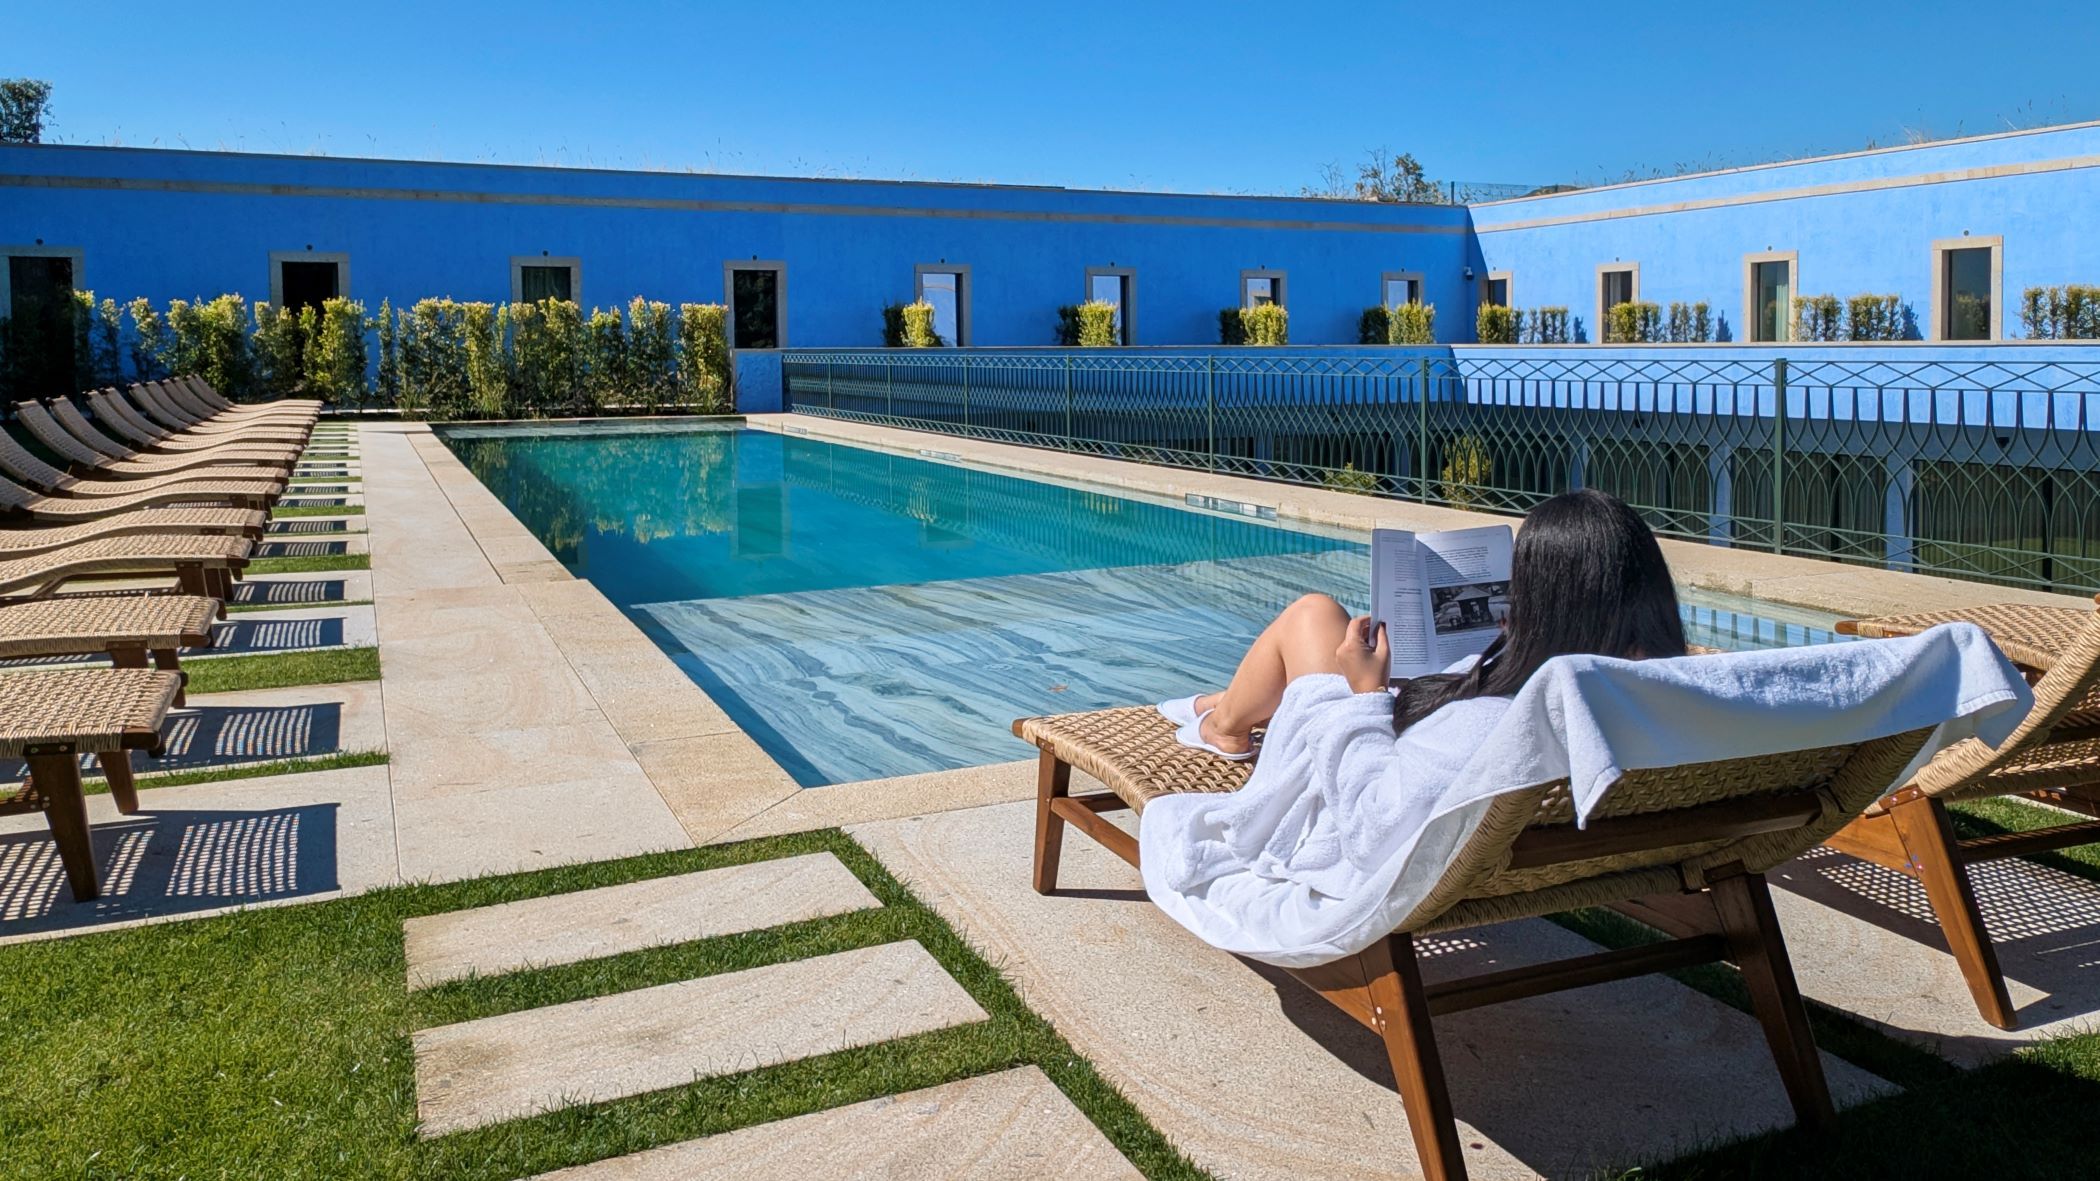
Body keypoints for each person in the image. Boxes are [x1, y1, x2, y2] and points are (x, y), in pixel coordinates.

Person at [1158, 488, 1687, 759]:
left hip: (1348, 754)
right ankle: (1220, 704)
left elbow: (1372, 803)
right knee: (1324, 624)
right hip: (1449, 714)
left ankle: (1224, 725)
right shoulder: (1665, 690)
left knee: (1313, 613)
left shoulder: (1509, 717)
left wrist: (1368, 693)